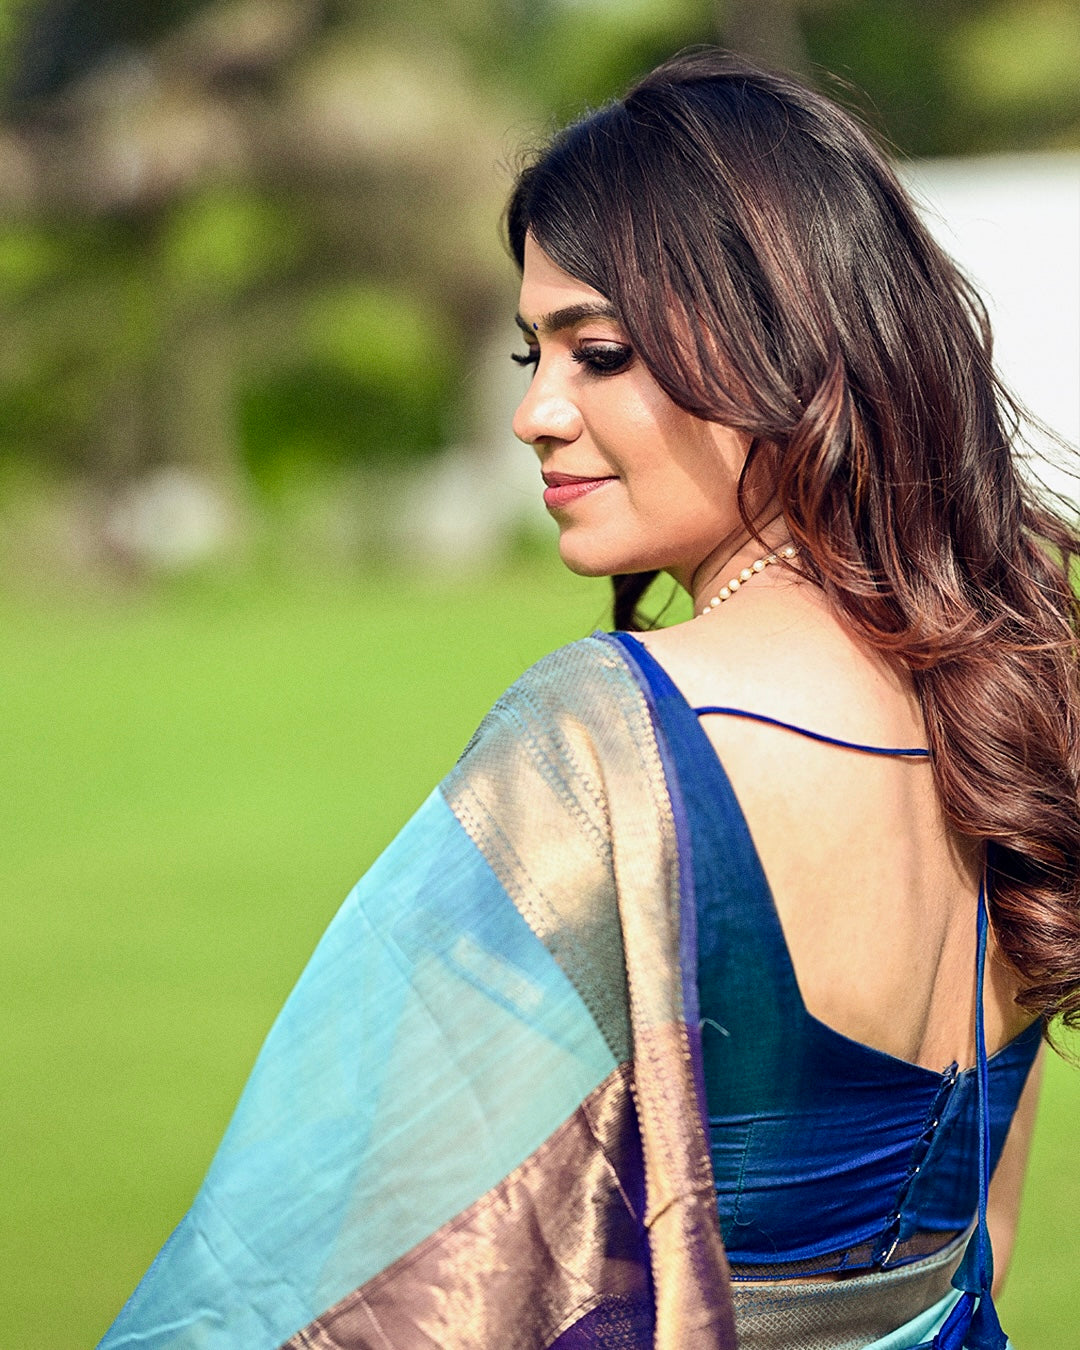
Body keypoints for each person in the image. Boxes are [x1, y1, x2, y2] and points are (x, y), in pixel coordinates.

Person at [98, 49, 1078, 1350]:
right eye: (532, 352)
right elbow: (980, 1249)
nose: (535, 413)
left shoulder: (608, 736)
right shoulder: (1010, 711)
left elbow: (357, 1288)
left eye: (597, 351)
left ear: (784, 345)